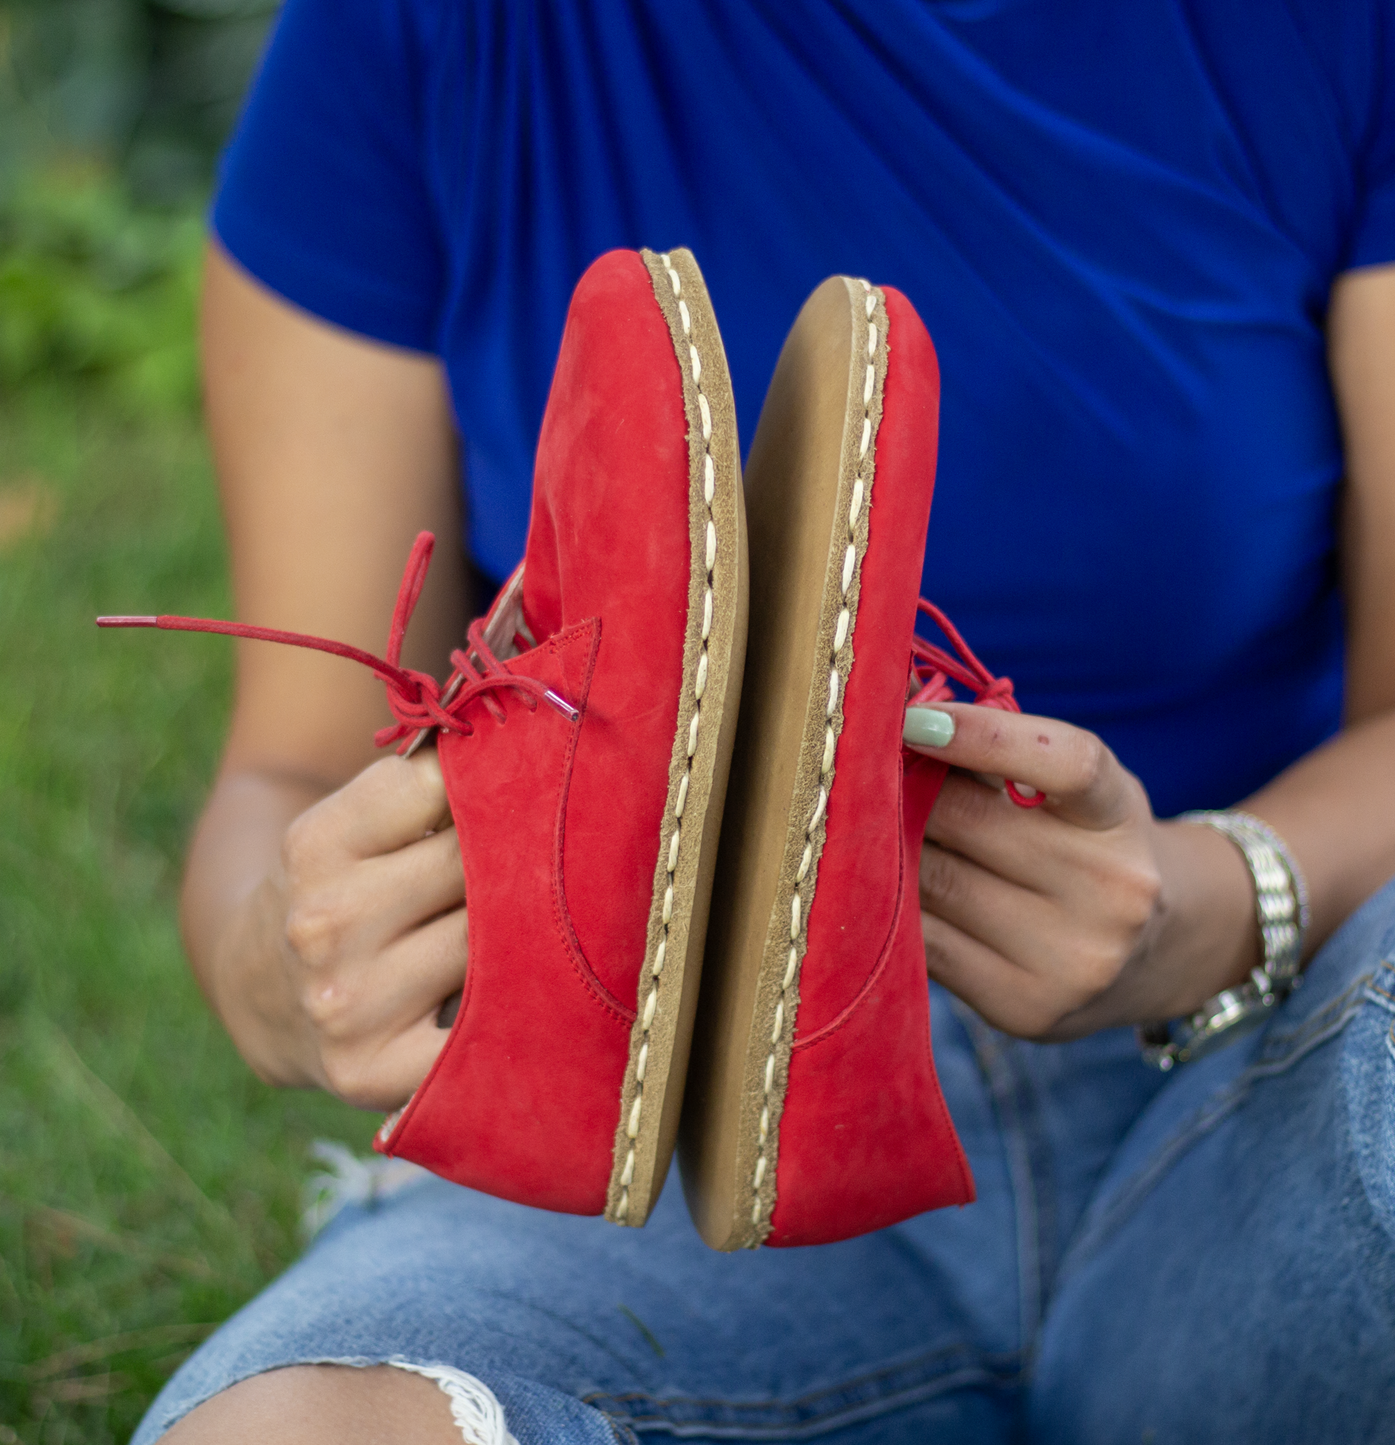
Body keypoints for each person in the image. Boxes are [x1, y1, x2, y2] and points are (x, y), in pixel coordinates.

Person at [134, 2, 1395, 1441]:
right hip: (662, 1145)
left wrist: (1213, 899)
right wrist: (276, 966)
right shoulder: (431, 35)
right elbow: (286, 765)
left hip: (1248, 1086)